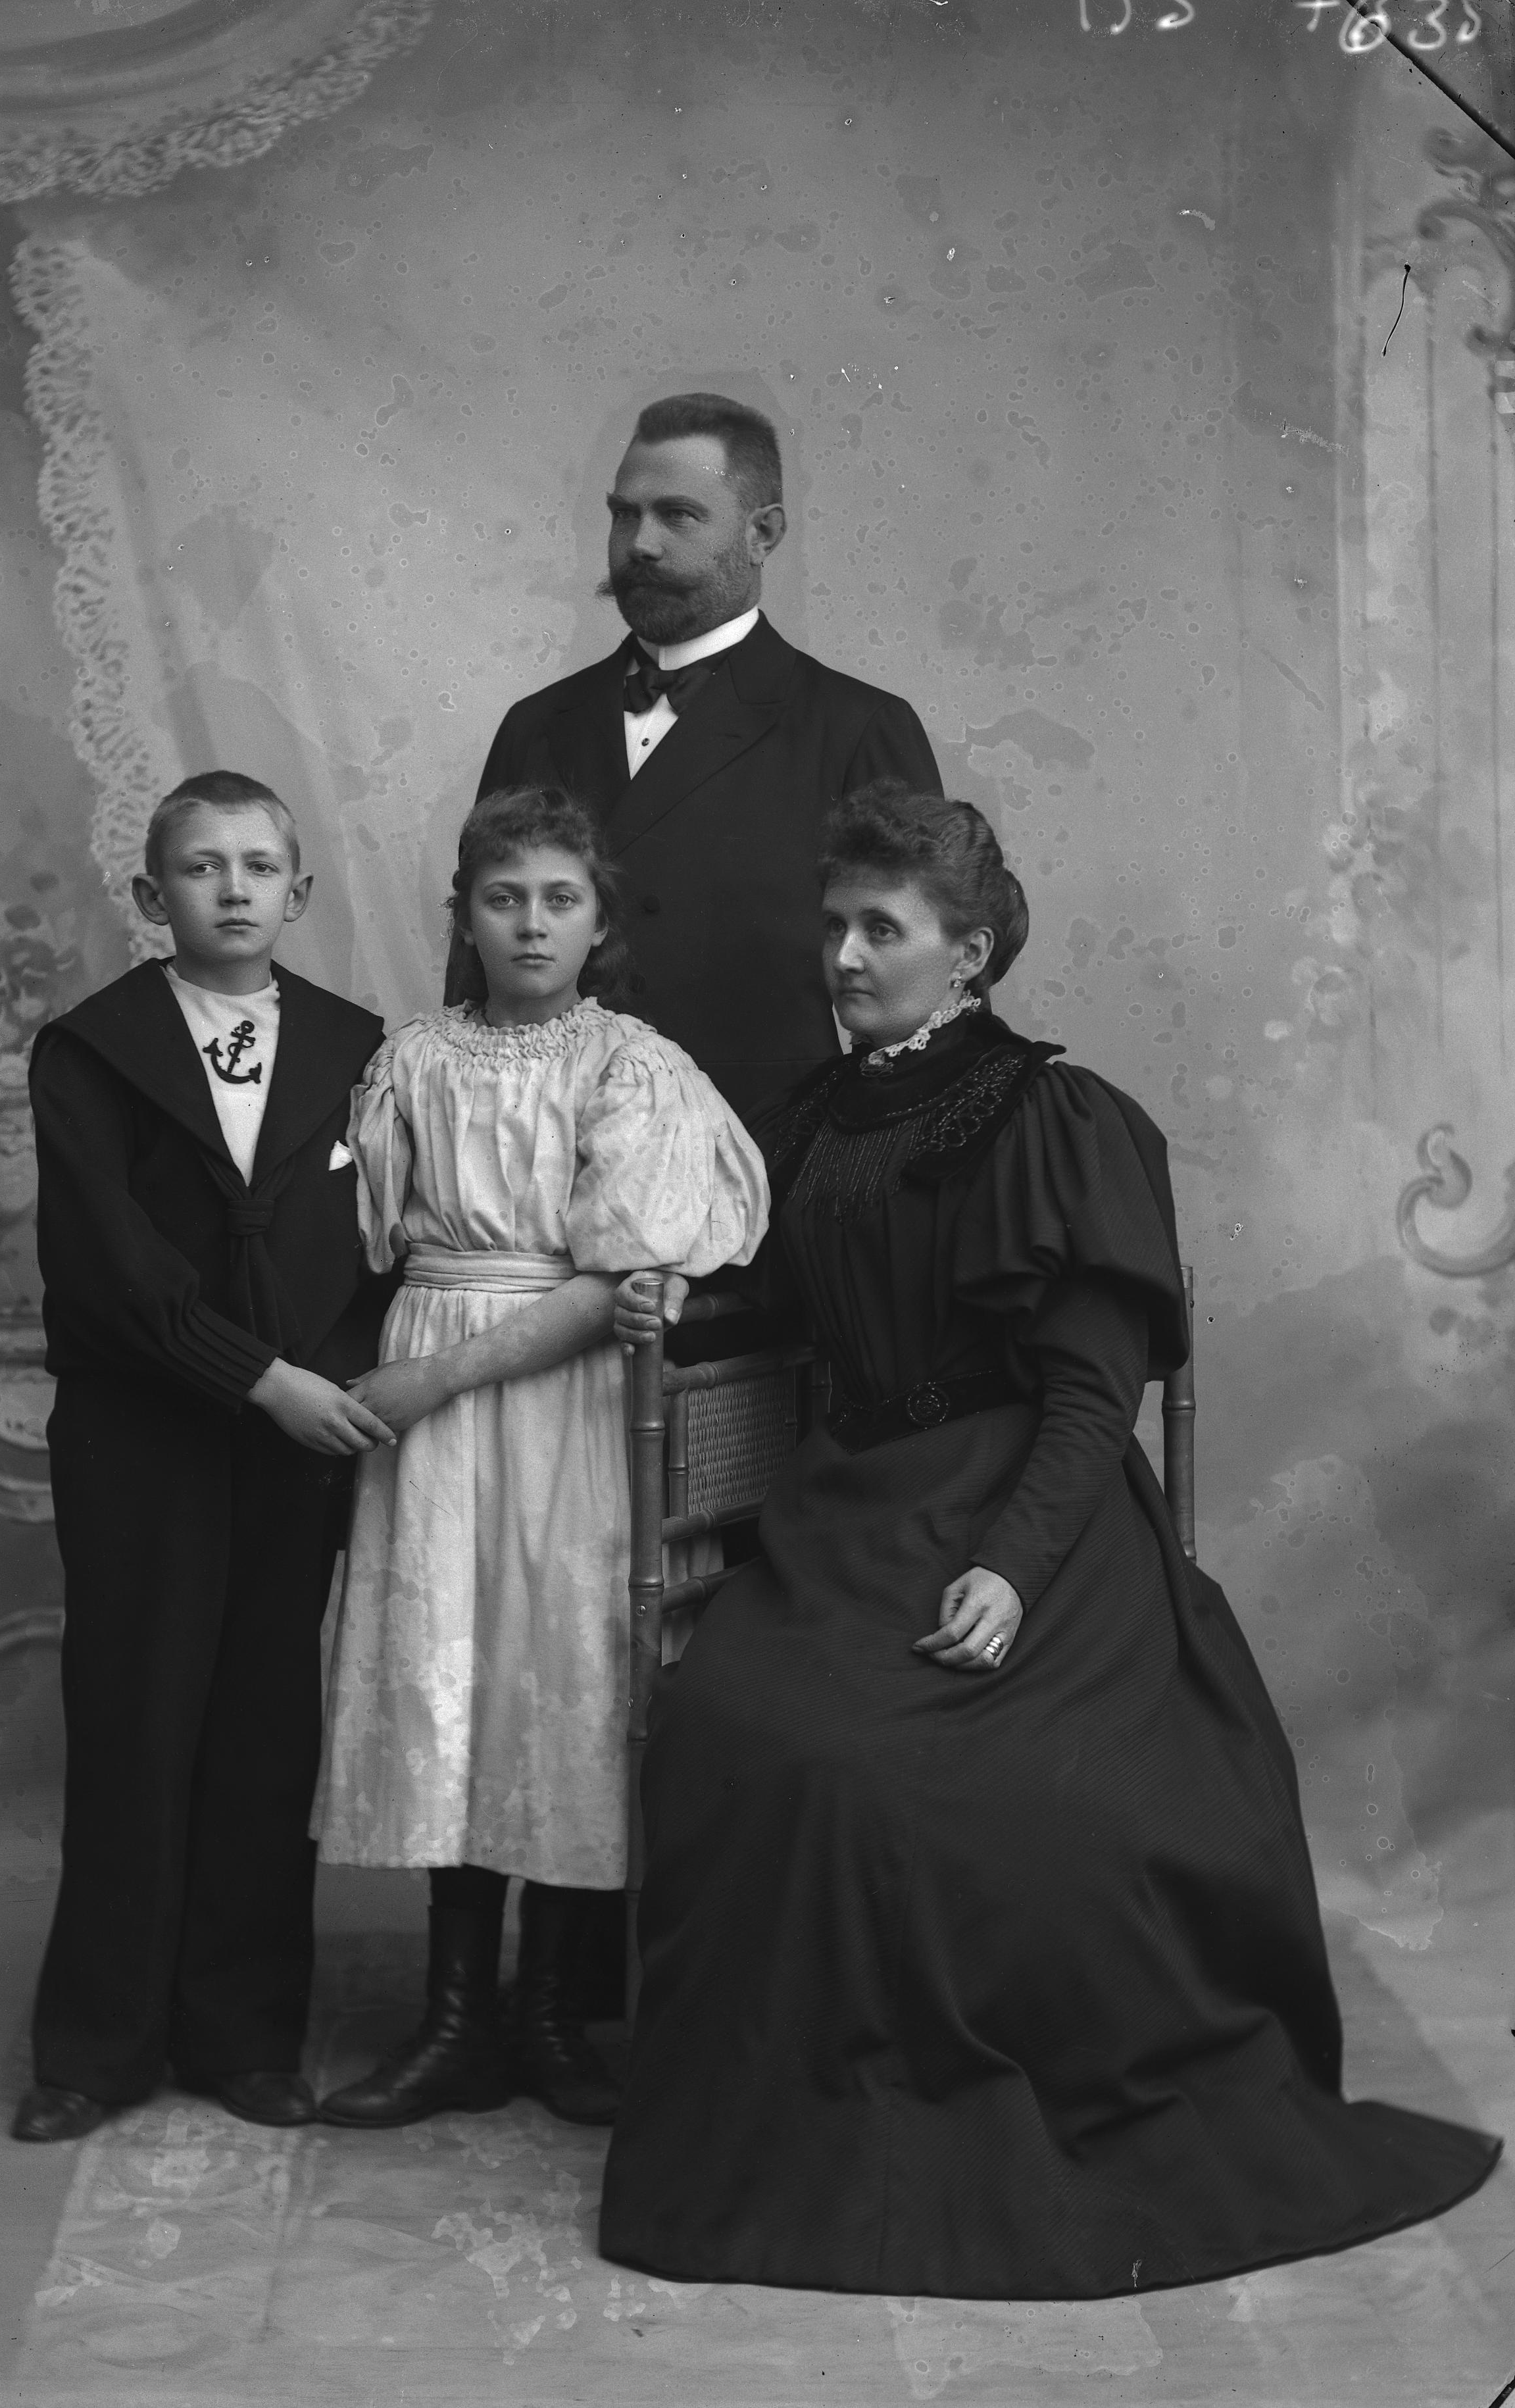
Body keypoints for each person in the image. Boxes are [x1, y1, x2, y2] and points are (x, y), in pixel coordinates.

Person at [599, 786, 1501, 2295]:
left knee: (929, 1780)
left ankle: (927, 2109)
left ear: (966, 953)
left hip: (1031, 1513)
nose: (842, 955)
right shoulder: (812, 1118)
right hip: (847, 1510)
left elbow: (1090, 1396)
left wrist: (1010, 1571)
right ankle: (793, 2105)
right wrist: (677, 1296)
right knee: (738, 1730)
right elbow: (782, 1309)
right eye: (834, 925)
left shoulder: (1050, 1118)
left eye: (880, 928)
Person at [311, 784, 767, 2129]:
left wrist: (432, 1378)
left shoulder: (629, 1066)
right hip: (428, 1382)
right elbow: (359, 1238)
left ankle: (551, 2017)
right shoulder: (408, 1060)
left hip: (557, 1396)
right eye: (502, 898)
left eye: (558, 900)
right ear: (462, 914)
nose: (529, 923)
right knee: (444, 1669)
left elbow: (609, 1279)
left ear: (597, 923)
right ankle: (453, 2020)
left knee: (560, 1669)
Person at [12, 771, 396, 2144]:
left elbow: (378, 1244)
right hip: (144, 1432)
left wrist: (325, 1380)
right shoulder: (93, 1050)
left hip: (296, 1436)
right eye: (199, 867)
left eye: (257, 867)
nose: (232, 890)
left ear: (299, 892)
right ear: (149, 893)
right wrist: (260, 1379)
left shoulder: (358, 1047)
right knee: (135, 1719)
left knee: (262, 1727)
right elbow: (110, 1266)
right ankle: (96, 2045)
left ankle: (243, 2031)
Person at [459, 390, 943, 1117]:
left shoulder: (856, 727)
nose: (641, 544)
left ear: (762, 533)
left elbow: (932, 991)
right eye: (624, 515)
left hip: (770, 1140)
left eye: (678, 515)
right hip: (544, 1134)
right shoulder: (535, 725)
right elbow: (474, 970)